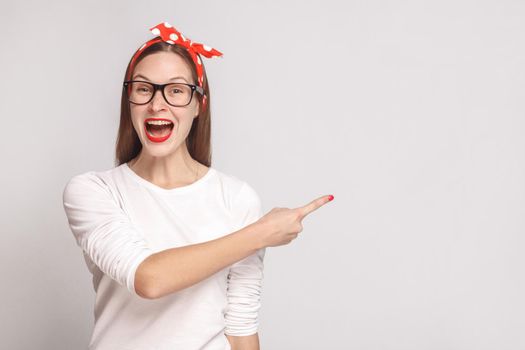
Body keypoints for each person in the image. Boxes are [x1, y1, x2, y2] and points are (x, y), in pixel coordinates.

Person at [62, 21, 334, 350]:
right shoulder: (93, 191)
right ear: (129, 100)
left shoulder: (236, 198)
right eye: (144, 89)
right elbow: (149, 278)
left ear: (198, 105)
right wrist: (261, 234)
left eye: (176, 90)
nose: (157, 104)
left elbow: (241, 326)